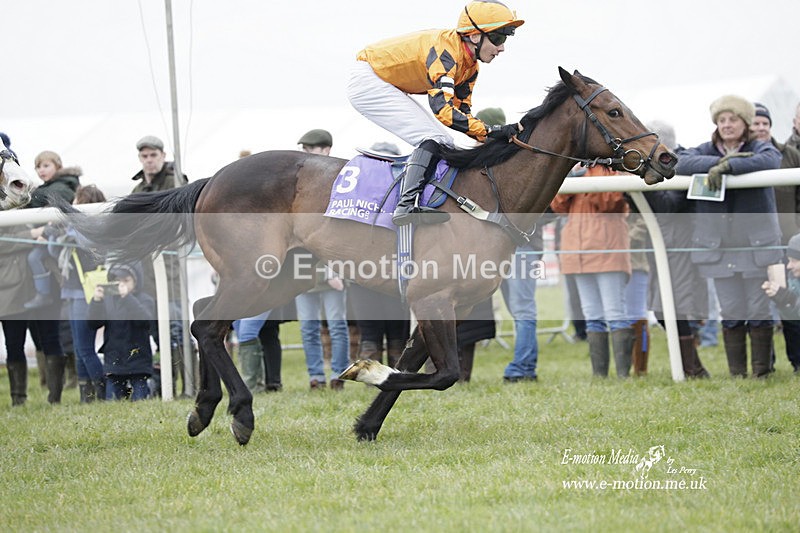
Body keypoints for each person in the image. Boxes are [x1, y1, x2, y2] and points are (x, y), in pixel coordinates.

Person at [347, 0, 524, 226]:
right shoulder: (446, 52)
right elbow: (443, 111)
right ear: (475, 36)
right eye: (498, 38)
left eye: (505, 39)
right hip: (368, 80)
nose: (502, 48)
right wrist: (491, 130)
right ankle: (406, 205)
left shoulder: (470, 66)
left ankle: (413, 201)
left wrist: (492, 136)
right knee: (433, 138)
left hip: (384, 81)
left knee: (444, 140)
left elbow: (462, 114)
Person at [675, 94, 782, 378]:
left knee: (759, 308)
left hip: (755, 245)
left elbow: (771, 160)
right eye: (721, 120)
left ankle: (762, 373)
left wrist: (729, 166)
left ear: (744, 122)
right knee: (731, 310)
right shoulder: (704, 149)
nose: (726, 125)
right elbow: (681, 163)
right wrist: (717, 163)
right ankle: (737, 374)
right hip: (718, 247)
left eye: (732, 119)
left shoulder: (762, 147)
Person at [551, 165, 633, 378]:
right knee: (591, 314)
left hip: (607, 248)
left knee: (615, 312)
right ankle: (600, 374)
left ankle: (623, 374)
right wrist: (569, 177)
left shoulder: (613, 169)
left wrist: (584, 179)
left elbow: (609, 202)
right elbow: (557, 205)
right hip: (576, 251)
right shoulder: (574, 167)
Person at [643, 120, 710, 378]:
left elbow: (669, 205)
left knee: (673, 308)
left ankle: (691, 367)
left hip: (681, 244)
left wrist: (643, 183)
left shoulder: (681, 165)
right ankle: (691, 365)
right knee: (661, 309)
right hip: (660, 243)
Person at [130, 135, 190, 396]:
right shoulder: (137, 189)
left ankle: (189, 385)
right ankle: (166, 386)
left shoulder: (177, 181)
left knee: (177, 330)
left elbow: (180, 221)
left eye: (153, 155)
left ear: (163, 156)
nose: (149, 160)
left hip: (171, 270)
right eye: (144, 156)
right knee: (157, 332)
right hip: (145, 273)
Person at [295, 129, 350, 390]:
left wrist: (333, 268)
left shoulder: (340, 180)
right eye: (305, 150)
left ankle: (339, 374)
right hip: (303, 269)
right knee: (308, 328)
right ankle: (315, 377)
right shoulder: (300, 182)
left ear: (326, 150)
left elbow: (337, 231)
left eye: (312, 149)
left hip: (331, 265)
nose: (307, 154)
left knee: (337, 326)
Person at [751, 102, 800, 373]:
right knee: (759, 304)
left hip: (787, 245)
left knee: (790, 306)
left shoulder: (790, 155)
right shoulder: (744, 155)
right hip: (755, 244)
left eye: (765, 123)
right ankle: (763, 365)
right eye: (755, 123)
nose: (760, 128)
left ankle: (797, 361)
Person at [47, 184, 108, 401]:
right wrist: (56, 234)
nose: (73, 207)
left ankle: (104, 392)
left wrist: (69, 230)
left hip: (86, 292)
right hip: (72, 291)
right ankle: (87, 396)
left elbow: (87, 244)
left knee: (85, 348)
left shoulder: (96, 230)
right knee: (79, 347)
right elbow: (53, 251)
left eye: (77, 203)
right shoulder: (72, 230)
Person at [88, 262, 155, 400]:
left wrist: (128, 298)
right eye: (117, 281)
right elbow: (93, 323)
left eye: (126, 280)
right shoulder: (107, 300)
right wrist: (96, 301)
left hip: (139, 363)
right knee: (112, 403)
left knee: (140, 402)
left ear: (136, 281)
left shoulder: (145, 299)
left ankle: (151, 389)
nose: (121, 284)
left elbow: (145, 321)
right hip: (114, 363)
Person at [23, 151, 80, 310]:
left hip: (58, 236)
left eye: (46, 166)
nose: (41, 170)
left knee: (35, 257)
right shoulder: (53, 186)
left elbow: (57, 210)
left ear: (58, 166)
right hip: (52, 234)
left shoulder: (60, 187)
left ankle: (44, 293)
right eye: (38, 167)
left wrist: (46, 232)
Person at [763, 234, 800, 358]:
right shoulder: (794, 277)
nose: (789, 266)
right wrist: (782, 301)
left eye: (794, 261)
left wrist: (790, 298)